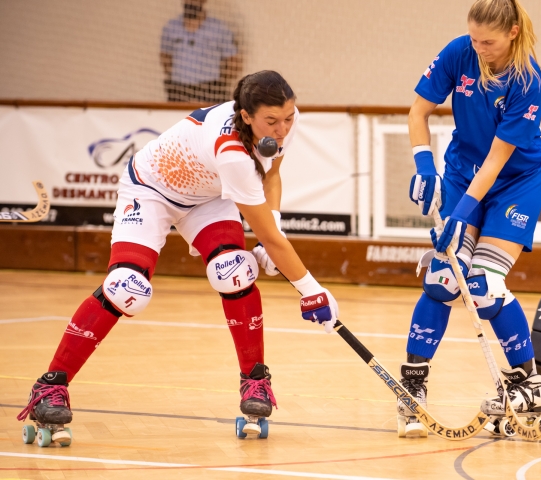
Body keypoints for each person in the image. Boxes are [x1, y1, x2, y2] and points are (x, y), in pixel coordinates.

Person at [16, 71, 339, 444]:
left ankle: (255, 381)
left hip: (208, 198)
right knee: (125, 288)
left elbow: (272, 176)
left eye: (288, 117)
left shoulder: (282, 122)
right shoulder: (231, 152)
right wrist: (312, 290)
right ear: (246, 115)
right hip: (151, 189)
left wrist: (275, 225)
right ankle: (50, 386)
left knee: (233, 270)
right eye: (272, 120)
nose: (282, 128)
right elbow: (266, 235)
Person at [399, 0, 541, 438]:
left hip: (514, 183)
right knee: (443, 279)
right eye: (474, 39)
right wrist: (425, 164)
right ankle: (413, 385)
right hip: (465, 171)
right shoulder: (459, 52)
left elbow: (499, 159)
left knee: (483, 283)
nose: (479, 49)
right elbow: (417, 113)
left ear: (513, 32)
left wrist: (461, 214)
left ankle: (530, 382)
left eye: (489, 42)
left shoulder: (529, 79)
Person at [160, 0, 241, 103]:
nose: (190, 2)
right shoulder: (171, 27)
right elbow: (165, 58)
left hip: (210, 90)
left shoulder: (219, 28)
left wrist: (219, 84)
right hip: (179, 90)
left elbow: (233, 61)